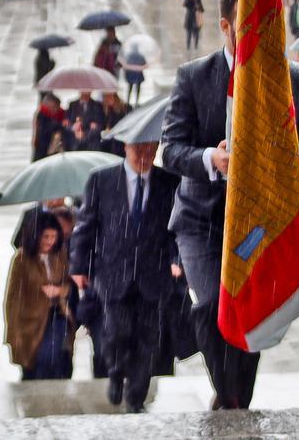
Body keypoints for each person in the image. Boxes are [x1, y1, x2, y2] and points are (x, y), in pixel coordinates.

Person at [161, 0, 299, 410]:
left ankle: (235, 403)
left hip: (259, 225)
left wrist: (283, 158)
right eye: (247, 27)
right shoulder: (194, 76)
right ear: (225, 27)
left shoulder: (295, 78)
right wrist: (210, 158)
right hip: (203, 220)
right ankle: (233, 398)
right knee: (215, 306)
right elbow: (171, 149)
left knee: (249, 317)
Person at [70, 141, 182, 413]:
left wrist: (177, 260)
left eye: (149, 150)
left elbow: (178, 226)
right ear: (126, 148)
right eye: (138, 150)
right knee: (117, 331)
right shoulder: (102, 180)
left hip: (154, 273)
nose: (144, 156)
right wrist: (78, 266)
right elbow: (86, 225)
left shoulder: (168, 182)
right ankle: (116, 370)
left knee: (148, 338)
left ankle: (136, 396)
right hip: (113, 271)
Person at [5, 214, 75, 380]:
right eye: (46, 237)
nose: (50, 241)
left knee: (56, 358)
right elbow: (12, 298)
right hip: (31, 320)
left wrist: (59, 291)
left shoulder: (60, 254)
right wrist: (13, 332)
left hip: (57, 314)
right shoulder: (22, 259)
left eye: (53, 237)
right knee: (37, 361)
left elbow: (68, 284)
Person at [32, 92, 68, 161]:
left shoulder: (62, 113)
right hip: (43, 145)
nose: (53, 110)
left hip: (56, 146)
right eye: (51, 107)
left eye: (55, 107)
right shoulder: (42, 113)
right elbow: (42, 130)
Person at [98, 92, 130, 157]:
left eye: (110, 96)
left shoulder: (124, 108)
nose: (108, 99)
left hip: (119, 141)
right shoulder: (104, 109)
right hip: (107, 143)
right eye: (106, 97)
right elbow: (102, 125)